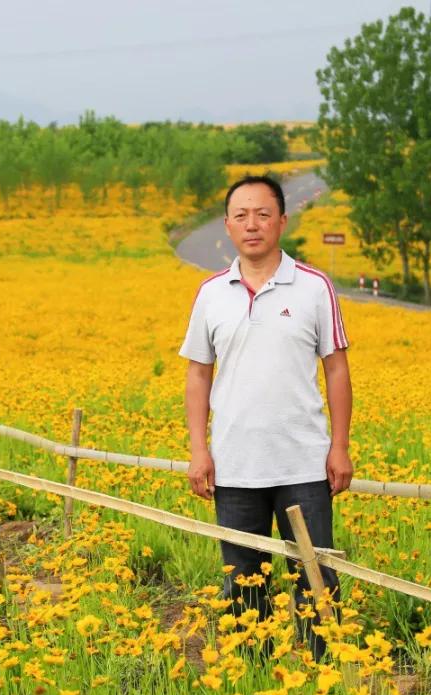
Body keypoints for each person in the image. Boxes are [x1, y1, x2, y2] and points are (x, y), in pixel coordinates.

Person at [179, 175, 353, 661]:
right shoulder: (212, 293)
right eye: (241, 215)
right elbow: (198, 374)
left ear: (281, 221)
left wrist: (339, 446)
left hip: (304, 465)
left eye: (262, 214)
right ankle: (255, 678)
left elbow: (336, 368)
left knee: (316, 580)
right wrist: (199, 449)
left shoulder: (315, 287)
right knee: (243, 585)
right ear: (228, 226)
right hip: (235, 468)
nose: (252, 224)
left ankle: (324, 676)